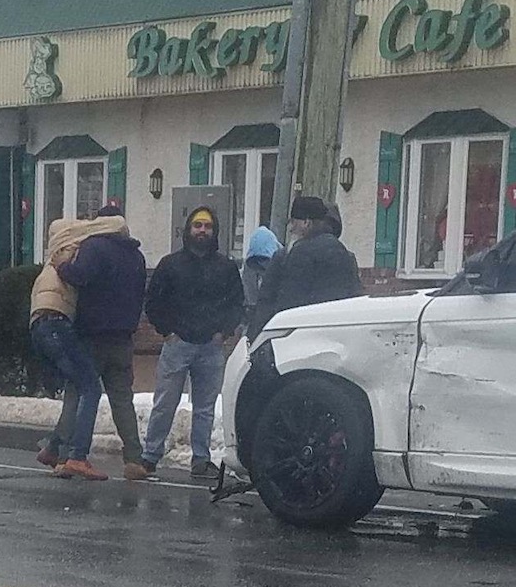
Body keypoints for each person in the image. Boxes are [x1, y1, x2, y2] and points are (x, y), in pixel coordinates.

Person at [46, 205, 149, 482]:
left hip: (91, 336)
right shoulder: (136, 256)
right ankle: (134, 459)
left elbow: (80, 276)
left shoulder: (94, 247)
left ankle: (65, 456)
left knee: (78, 394)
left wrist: (61, 266)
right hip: (122, 339)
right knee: (122, 400)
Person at [141, 206, 244, 481]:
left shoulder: (226, 267)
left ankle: (201, 459)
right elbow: (153, 301)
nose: (202, 230)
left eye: (207, 226)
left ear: (215, 231)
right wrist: (166, 332)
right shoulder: (170, 265)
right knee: (165, 403)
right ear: (188, 230)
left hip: (211, 347)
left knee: (205, 408)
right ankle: (150, 457)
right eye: (197, 225)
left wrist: (223, 332)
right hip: (177, 344)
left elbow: (237, 303)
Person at [29, 215, 128, 482]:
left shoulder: (52, 259)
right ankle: (78, 457)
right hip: (57, 324)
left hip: (41, 326)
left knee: (76, 386)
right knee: (91, 388)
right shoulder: (66, 257)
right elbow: (82, 276)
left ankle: (53, 448)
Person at [248, 197, 362, 340]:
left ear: (306, 223)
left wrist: (256, 338)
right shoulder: (345, 254)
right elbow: (354, 296)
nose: (291, 228)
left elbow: (286, 302)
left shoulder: (297, 254)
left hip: (301, 336)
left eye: (293, 222)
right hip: (336, 335)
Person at [241, 225, 283, 340]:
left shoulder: (285, 267)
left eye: (265, 260)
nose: (262, 265)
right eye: (259, 261)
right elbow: (250, 300)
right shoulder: (250, 271)